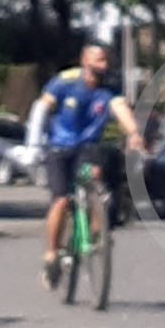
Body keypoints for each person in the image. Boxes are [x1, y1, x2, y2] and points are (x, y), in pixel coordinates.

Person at [30, 45, 144, 290]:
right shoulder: (65, 81)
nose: (102, 64)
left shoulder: (110, 87)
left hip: (87, 148)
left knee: (94, 181)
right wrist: (33, 144)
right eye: (97, 59)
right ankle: (51, 253)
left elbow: (120, 108)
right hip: (58, 148)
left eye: (104, 59)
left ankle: (97, 232)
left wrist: (133, 132)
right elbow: (42, 108)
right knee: (60, 200)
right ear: (84, 61)